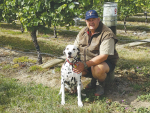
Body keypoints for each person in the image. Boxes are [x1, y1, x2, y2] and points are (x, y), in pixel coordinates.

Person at [73, 10, 119, 96]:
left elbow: (103, 56)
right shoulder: (83, 32)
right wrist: (70, 61)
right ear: (86, 21)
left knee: (98, 69)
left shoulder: (107, 33)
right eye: (89, 20)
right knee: (72, 68)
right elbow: (74, 48)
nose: (91, 22)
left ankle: (100, 84)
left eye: (93, 19)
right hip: (87, 62)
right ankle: (74, 85)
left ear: (98, 19)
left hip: (104, 62)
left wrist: (85, 65)